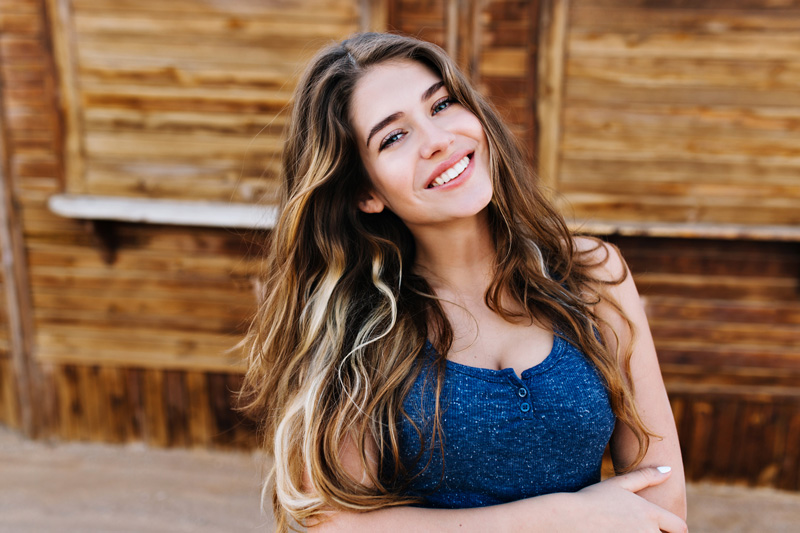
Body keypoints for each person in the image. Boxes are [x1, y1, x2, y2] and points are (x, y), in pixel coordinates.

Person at [239, 32, 687, 532]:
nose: (437, 140)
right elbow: (332, 525)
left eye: (442, 104)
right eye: (393, 137)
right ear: (366, 192)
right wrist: (563, 517)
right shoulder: (355, 326)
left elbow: (663, 497)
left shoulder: (593, 275)